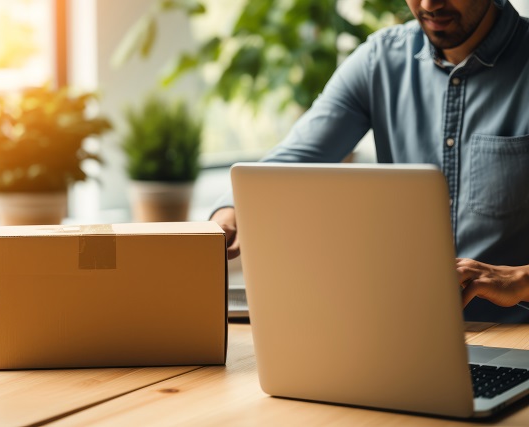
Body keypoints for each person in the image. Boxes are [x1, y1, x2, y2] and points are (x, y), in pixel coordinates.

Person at [210, 0, 529, 322]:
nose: (429, 4)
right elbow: (297, 155)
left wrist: (522, 280)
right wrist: (230, 213)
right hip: (405, 334)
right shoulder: (380, 59)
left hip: (517, 338)